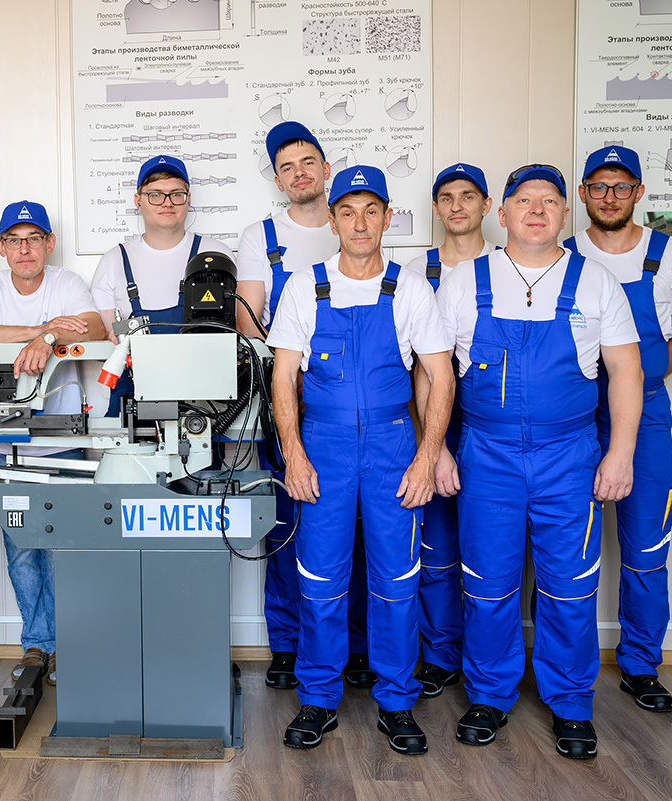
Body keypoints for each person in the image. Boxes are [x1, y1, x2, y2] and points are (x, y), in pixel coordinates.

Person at [435, 164, 642, 760]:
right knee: (487, 582)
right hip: (487, 454)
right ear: (501, 214)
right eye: (524, 200)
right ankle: (490, 694)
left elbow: (627, 369)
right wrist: (439, 447)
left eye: (550, 200)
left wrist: (620, 452)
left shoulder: (597, 282)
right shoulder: (465, 281)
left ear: (564, 213)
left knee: (571, 585)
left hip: (569, 456)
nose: (536, 209)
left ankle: (571, 703)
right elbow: (435, 373)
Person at [268, 166, 454, 754]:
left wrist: (427, 458)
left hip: (392, 444)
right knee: (320, 581)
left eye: (371, 211)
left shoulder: (412, 288)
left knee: (396, 581)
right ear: (333, 219)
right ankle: (318, 699)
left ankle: (396, 700)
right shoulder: (305, 285)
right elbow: (282, 378)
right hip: (322, 448)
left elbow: (439, 374)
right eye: (348, 212)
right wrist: (294, 455)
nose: (360, 223)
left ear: (388, 216)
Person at [565, 145, 672, 713]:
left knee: (646, 543)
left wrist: (631, 388)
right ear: (582, 195)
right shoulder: (562, 252)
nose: (609, 196)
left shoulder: (668, 255)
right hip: (570, 416)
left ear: (639, 193)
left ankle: (641, 664)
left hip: (645, 415)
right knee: (560, 544)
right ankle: (554, 661)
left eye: (621, 187)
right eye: (598, 186)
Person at [236, 122, 371, 692]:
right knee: (290, 525)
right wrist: (291, 369)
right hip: (292, 399)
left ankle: (356, 646)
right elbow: (248, 318)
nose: (299, 173)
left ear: (326, 166)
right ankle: (290, 644)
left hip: (356, 406)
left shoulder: (356, 229)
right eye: (287, 166)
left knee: (362, 530)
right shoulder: (260, 235)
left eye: (308, 162)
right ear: (276, 178)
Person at [0, 200, 106, 686]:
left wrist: (48, 338)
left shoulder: (66, 282)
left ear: (49, 244)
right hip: (5, 446)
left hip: (61, 444)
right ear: (1, 247)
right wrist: (41, 332)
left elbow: (98, 328)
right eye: (15, 241)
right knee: (22, 548)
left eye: (34, 239)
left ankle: (70, 643)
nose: (25, 249)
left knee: (63, 546)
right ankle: (37, 645)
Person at [403, 163, 499, 699]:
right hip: (434, 418)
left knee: (492, 550)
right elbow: (417, 364)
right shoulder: (415, 272)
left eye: (468, 196)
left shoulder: (511, 267)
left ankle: (487, 659)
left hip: (492, 420)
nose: (457, 206)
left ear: (487, 205)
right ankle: (440, 655)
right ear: (436, 208)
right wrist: (430, 443)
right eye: (446, 197)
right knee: (436, 547)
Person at [90, 154, 235, 415]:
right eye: (155, 194)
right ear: (138, 200)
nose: (167, 202)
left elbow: (234, 330)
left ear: (188, 199)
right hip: (133, 406)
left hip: (202, 407)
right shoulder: (114, 261)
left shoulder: (216, 256)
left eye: (176, 194)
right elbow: (111, 334)